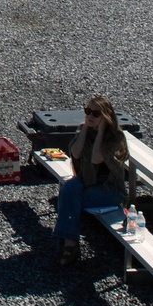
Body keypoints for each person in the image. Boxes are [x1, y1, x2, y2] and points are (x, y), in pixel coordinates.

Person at [53, 95, 127, 266]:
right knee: (68, 189)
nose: (90, 116)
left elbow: (96, 158)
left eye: (96, 113)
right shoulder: (84, 130)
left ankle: (68, 244)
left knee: (69, 197)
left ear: (106, 116)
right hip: (87, 181)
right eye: (88, 111)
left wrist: (101, 131)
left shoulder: (115, 137)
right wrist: (86, 129)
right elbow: (76, 153)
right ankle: (70, 242)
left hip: (109, 188)